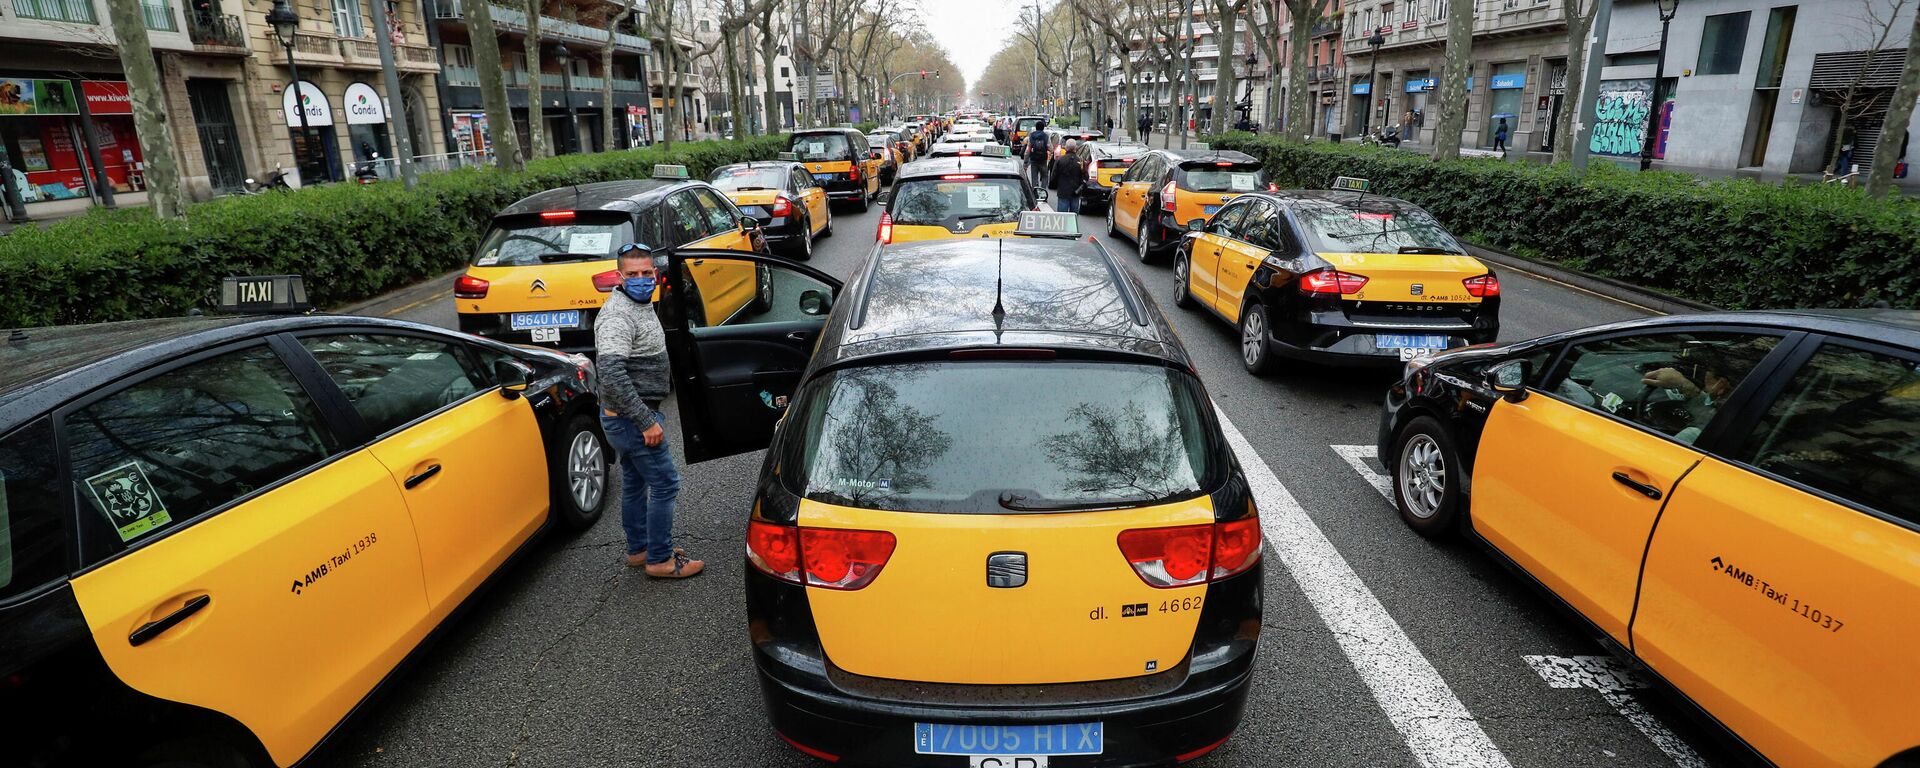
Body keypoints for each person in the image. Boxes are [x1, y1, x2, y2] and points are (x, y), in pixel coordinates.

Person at [595, 243, 702, 579]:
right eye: (632, 275)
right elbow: (611, 375)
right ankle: (660, 559)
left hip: (629, 417)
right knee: (666, 483)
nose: (641, 280)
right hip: (631, 419)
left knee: (635, 483)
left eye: (646, 274)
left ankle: (640, 548)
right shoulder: (618, 316)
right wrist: (645, 421)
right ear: (620, 276)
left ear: (654, 274)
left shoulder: (640, 303)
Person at [1051, 139, 1084, 214]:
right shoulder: (1080, 161)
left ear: (1066, 148)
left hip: (1063, 191)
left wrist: (1057, 185)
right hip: (1076, 192)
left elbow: (1053, 177)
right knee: (1073, 216)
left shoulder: (1060, 160)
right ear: (1075, 148)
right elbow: (1085, 176)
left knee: (1062, 216)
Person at [1024, 121, 1051, 187]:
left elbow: (1028, 150)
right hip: (1043, 160)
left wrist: (1025, 162)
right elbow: (1050, 148)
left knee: (1034, 177)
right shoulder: (1045, 136)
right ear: (1043, 128)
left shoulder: (1031, 136)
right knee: (1044, 176)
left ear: (1036, 127)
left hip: (1034, 160)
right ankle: (1043, 191)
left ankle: (1035, 191)